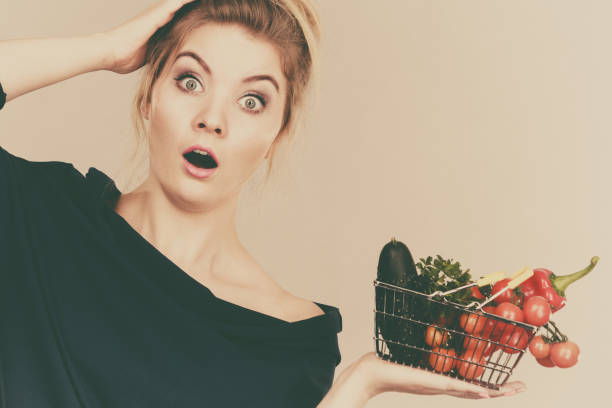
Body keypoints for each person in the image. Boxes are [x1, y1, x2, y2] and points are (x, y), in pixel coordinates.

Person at [0, 0, 526, 406]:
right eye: (189, 80)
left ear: (278, 131)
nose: (213, 117)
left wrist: (358, 385)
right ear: (148, 96)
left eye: (252, 100)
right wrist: (110, 48)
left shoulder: (287, 342)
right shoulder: (39, 213)